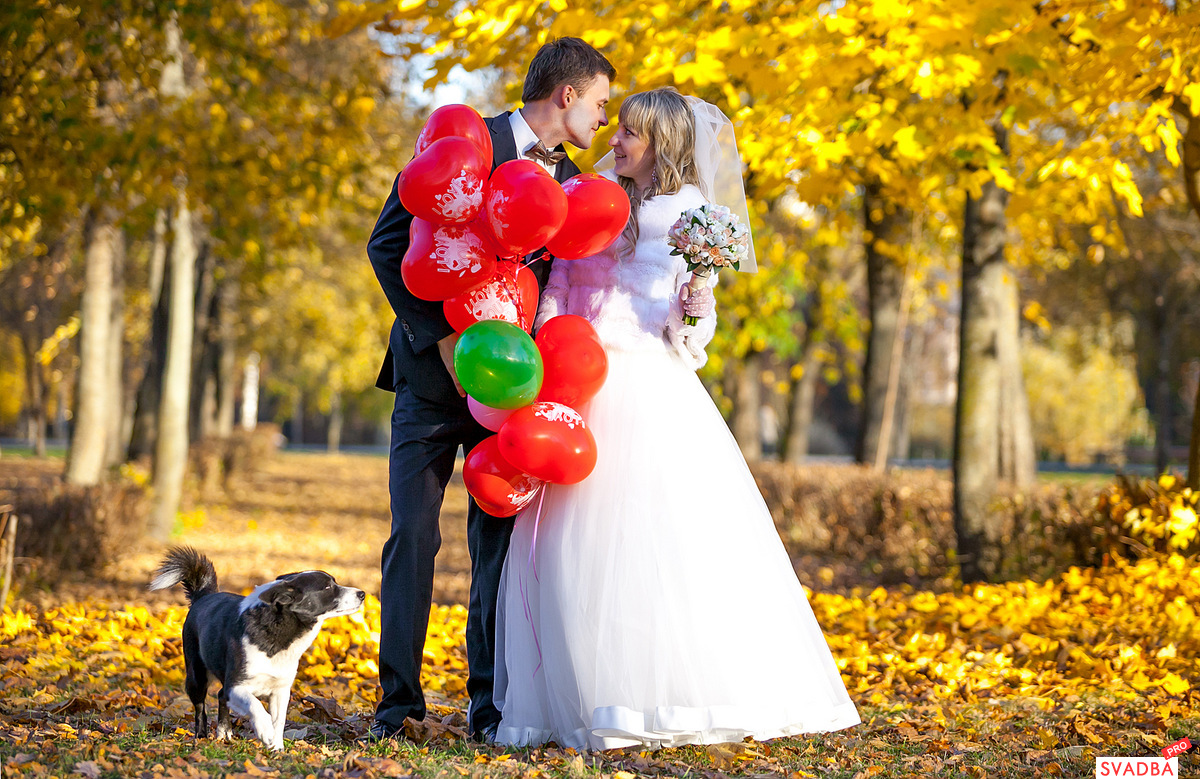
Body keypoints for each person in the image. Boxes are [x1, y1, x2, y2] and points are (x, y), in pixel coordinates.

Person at [492, 88, 860, 751]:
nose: (616, 140)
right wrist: (548, 346)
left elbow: (689, 334)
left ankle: (652, 696)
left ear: (663, 143)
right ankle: (575, 696)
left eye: (631, 133)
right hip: (580, 381)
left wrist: (697, 298)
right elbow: (563, 286)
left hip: (647, 383)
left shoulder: (688, 213)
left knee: (651, 542)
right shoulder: (590, 196)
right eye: (618, 128)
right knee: (568, 548)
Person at [365, 38, 616, 743]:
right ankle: (399, 706)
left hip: (508, 393)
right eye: (599, 101)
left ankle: (490, 705)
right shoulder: (459, 143)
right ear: (565, 95)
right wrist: (443, 342)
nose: (604, 118)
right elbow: (386, 245)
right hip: (427, 378)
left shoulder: (574, 186)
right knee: (412, 536)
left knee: (497, 549)